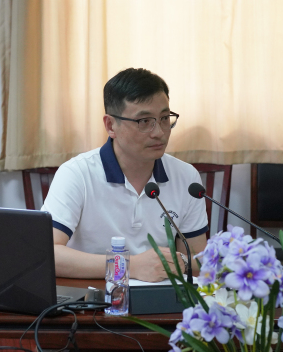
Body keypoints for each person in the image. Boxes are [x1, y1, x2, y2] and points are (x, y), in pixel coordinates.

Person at [41, 68, 208, 282]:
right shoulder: (77, 174)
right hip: (91, 295)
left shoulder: (186, 177)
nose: (159, 132)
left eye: (165, 118)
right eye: (144, 121)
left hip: (160, 296)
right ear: (111, 125)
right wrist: (128, 265)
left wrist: (181, 263)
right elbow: (47, 253)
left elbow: (198, 261)